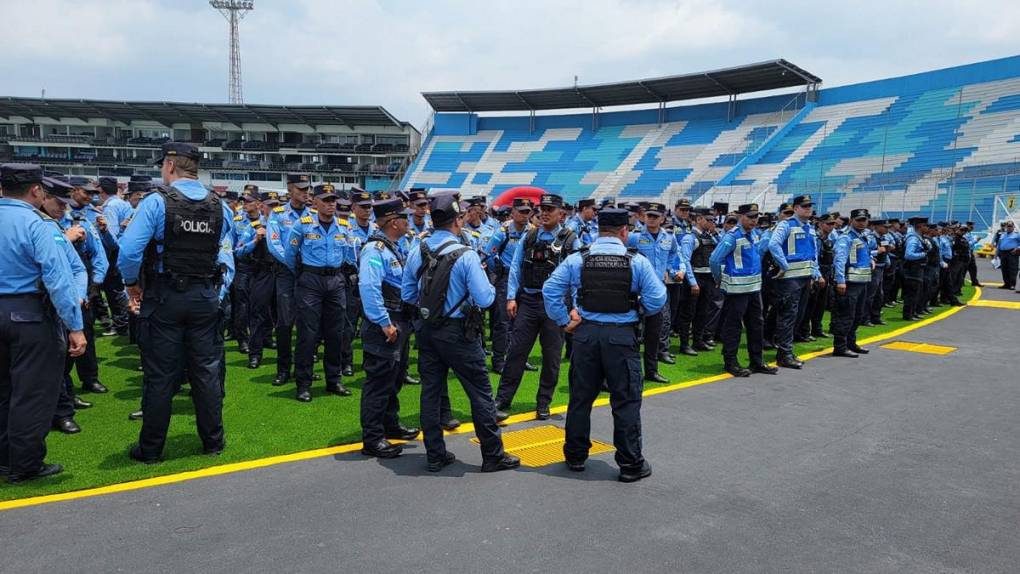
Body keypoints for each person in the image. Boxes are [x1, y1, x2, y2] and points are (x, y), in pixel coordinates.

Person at [117, 143, 234, 463]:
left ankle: (151, 449)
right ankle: (213, 441)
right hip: (205, 297)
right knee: (207, 373)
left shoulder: (157, 202)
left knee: (160, 376)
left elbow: (128, 251)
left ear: (169, 166)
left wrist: (131, 285)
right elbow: (226, 251)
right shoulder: (220, 206)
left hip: (166, 296)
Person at [542, 207, 666, 482]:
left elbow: (550, 289)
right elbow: (658, 299)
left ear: (599, 230)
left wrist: (564, 320)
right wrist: (638, 307)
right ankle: (630, 464)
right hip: (621, 336)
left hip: (585, 335)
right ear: (624, 231)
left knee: (580, 399)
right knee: (626, 401)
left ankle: (575, 456)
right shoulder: (637, 261)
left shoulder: (579, 258)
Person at [401, 191, 519, 473]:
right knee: (480, 392)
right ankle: (492, 454)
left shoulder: (418, 250)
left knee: (430, 392)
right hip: (459, 332)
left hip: (428, 329)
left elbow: (407, 293)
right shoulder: (465, 255)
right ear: (457, 220)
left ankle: (435, 454)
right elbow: (486, 299)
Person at [0, 164, 88, 483]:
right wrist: (74, 326)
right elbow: (57, 277)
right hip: (29, 314)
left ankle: (5, 458)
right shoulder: (36, 223)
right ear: (36, 190)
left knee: (3, 392)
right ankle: (25, 465)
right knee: (32, 394)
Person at [495, 193, 579, 421]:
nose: (544, 213)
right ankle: (502, 399)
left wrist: (575, 307)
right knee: (516, 352)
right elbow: (515, 267)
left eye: (549, 209)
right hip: (529, 303)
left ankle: (543, 402)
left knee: (551, 357)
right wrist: (511, 297)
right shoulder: (529, 235)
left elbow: (576, 276)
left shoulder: (571, 239)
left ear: (561, 213)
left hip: (556, 306)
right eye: (542, 208)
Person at [358, 198, 421, 458]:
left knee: (394, 377)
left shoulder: (393, 246)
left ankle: (390, 424)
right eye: (404, 218)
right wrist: (383, 322)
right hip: (384, 323)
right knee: (378, 380)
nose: (409, 222)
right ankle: (372, 438)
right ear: (394, 222)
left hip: (399, 319)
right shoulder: (374, 250)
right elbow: (369, 288)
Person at [284, 184, 356, 402]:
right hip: (310, 281)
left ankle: (334, 380)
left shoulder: (344, 226)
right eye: (325, 200)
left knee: (336, 332)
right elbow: (289, 255)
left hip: (335, 280)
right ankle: (303, 384)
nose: (331, 204)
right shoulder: (303, 225)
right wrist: (304, 275)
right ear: (314, 202)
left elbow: (349, 255)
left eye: (333, 199)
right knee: (308, 333)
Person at [709, 203, 779, 378]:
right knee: (733, 326)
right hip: (737, 289)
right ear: (741, 217)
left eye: (756, 217)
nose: (753, 220)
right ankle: (730, 362)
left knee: (757, 325)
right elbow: (714, 260)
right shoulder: (732, 236)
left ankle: (756, 361)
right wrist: (719, 279)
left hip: (754, 288)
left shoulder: (754, 234)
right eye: (750, 217)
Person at [626, 202, 688, 383]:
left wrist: (672, 269)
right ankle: (631, 370)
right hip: (637, 289)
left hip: (659, 288)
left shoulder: (669, 237)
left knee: (655, 331)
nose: (651, 219)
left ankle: (652, 371)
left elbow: (674, 255)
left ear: (662, 218)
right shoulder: (634, 237)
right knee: (633, 331)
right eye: (649, 215)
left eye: (655, 216)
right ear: (644, 217)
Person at [266, 174, 314, 386]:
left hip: (309, 273)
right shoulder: (277, 214)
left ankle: (305, 368)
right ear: (290, 190)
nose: (306, 193)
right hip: (286, 273)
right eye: (301, 189)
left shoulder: (313, 214)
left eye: (308, 189)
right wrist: (291, 263)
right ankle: (283, 369)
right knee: (285, 323)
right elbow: (273, 243)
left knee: (308, 323)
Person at [767, 195, 821, 369]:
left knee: (798, 315)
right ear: (796, 208)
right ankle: (784, 354)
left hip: (805, 278)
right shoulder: (786, 225)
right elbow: (773, 244)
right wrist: (783, 265)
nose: (808, 209)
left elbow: (813, 253)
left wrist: (815, 273)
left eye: (809, 206)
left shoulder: (810, 228)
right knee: (788, 316)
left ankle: (787, 351)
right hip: (790, 279)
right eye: (804, 206)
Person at [485, 197, 534, 373]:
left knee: (521, 323)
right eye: (521, 211)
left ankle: (519, 359)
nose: (524, 214)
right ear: (512, 212)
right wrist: (498, 271)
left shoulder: (532, 232)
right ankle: (499, 361)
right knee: (502, 322)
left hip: (524, 280)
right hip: (505, 280)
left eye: (527, 211)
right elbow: (489, 254)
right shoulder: (502, 232)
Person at [234, 187, 276, 367]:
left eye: (276, 206)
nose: (273, 209)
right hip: (258, 272)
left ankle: (281, 353)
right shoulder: (255, 227)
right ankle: (255, 352)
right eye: (270, 206)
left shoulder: (285, 225)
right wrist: (256, 240)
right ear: (262, 206)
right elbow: (239, 250)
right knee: (254, 312)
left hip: (281, 274)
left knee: (280, 316)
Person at [831, 209, 874, 358]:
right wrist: (840, 280)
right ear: (852, 220)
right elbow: (840, 260)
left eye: (864, 219)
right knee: (846, 315)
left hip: (862, 281)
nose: (862, 222)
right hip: (850, 282)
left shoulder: (863, 236)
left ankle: (851, 342)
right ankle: (840, 346)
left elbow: (864, 254)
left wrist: (871, 260)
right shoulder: (846, 238)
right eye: (859, 220)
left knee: (857, 315)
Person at [900, 217, 929, 321]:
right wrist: (923, 254)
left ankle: (913, 313)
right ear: (920, 226)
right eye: (926, 226)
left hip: (917, 269)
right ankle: (908, 315)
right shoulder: (913, 238)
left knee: (916, 293)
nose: (927, 228)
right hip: (912, 270)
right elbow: (908, 255)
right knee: (911, 294)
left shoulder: (919, 237)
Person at [995, 221, 1018, 290]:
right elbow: (999, 245)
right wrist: (996, 254)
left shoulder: (1017, 235)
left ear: (1013, 227)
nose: (1009, 228)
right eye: (1008, 226)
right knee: (1004, 269)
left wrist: (1017, 248)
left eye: (1011, 226)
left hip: (1012, 253)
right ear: (1006, 227)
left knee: (1012, 269)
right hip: (1003, 253)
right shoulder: (1003, 234)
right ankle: (1006, 284)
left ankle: (1012, 285)